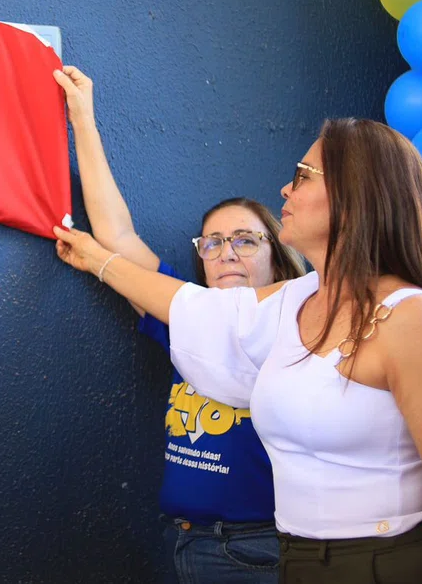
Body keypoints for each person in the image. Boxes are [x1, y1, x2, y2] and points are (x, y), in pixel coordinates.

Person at [53, 114, 422, 583]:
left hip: (380, 562)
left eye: (302, 176)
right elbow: (185, 303)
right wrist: (97, 259)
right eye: (213, 242)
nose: (285, 189)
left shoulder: (412, 319)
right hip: (295, 556)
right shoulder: (294, 301)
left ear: (355, 194)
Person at [53, 66, 304, 583]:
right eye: (212, 242)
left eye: (245, 239)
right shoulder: (186, 316)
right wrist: (83, 119)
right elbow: (117, 234)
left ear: (279, 259)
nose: (225, 252)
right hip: (180, 543)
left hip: (258, 549)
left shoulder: (303, 320)